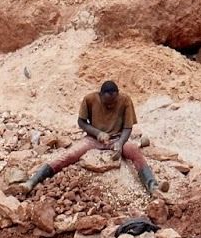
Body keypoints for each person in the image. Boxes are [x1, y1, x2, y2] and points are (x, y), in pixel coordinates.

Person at [23, 81, 159, 196]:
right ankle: (33, 181)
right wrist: (98, 133)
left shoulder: (125, 100)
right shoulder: (90, 99)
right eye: (107, 103)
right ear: (100, 96)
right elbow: (81, 122)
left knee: (135, 152)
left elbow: (128, 127)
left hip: (117, 138)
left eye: (114, 102)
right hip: (93, 139)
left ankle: (152, 185)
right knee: (69, 155)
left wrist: (120, 143)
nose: (111, 105)